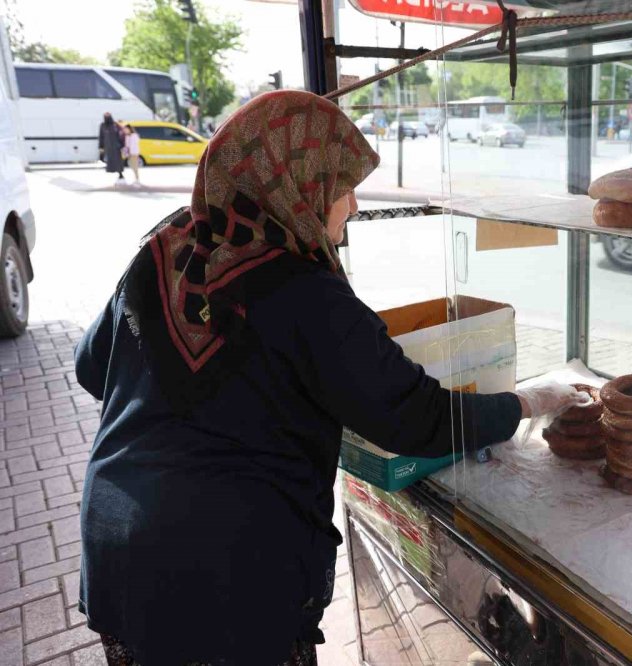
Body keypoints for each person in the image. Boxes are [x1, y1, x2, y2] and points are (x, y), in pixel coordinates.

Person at [74, 90, 585, 666]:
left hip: (115, 538)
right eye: (344, 187)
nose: (355, 207)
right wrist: (529, 401)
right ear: (297, 185)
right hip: (226, 579)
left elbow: (92, 365)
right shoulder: (302, 289)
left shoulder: (167, 245)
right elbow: (417, 419)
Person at [98, 112, 125, 182]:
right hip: (108, 146)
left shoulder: (115, 125)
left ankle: (120, 174)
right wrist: (101, 147)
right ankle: (113, 171)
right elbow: (101, 136)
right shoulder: (102, 125)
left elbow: (121, 134)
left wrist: (122, 145)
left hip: (116, 146)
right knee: (110, 160)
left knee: (118, 160)